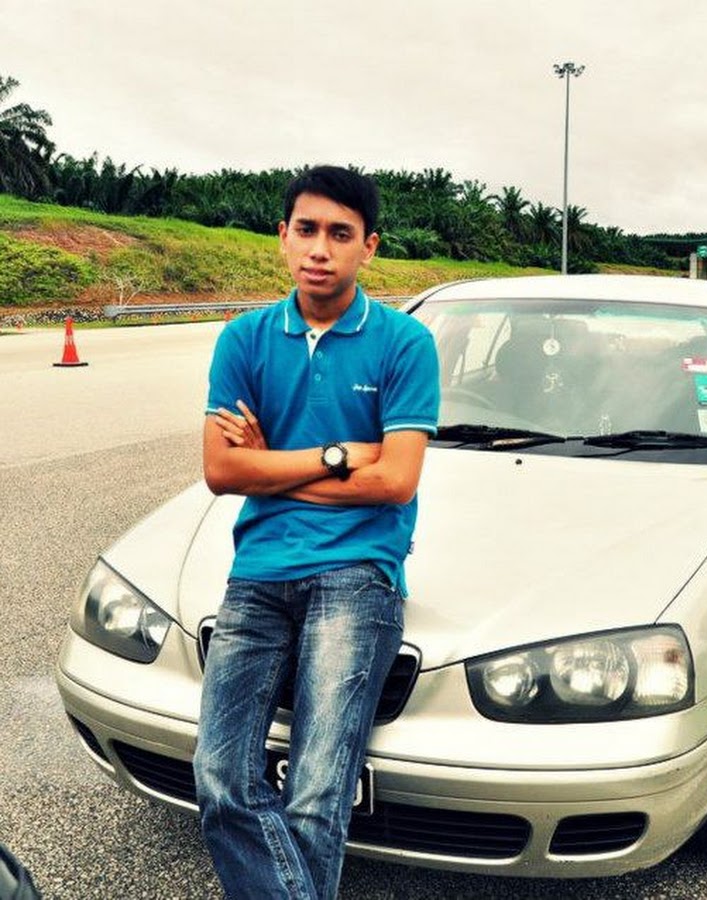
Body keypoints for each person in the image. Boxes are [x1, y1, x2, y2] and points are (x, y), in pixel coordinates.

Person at [193, 165, 440, 899]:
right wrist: (336, 457)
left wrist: (267, 465)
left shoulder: (404, 343)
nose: (320, 249)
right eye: (306, 229)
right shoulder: (244, 339)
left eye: (340, 233)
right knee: (218, 777)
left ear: (370, 246)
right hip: (259, 572)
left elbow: (395, 481)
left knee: (315, 794)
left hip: (358, 574)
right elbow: (220, 471)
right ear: (283, 236)